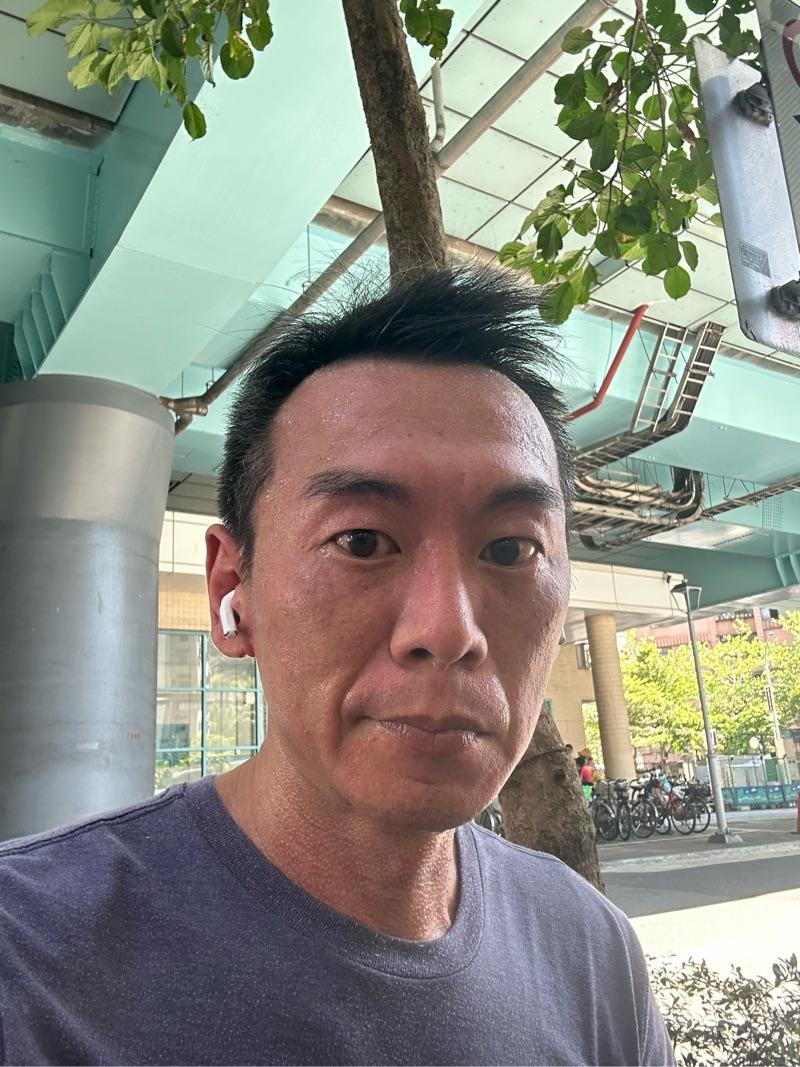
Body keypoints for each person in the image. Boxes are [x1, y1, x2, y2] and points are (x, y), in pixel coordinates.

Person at [0, 267, 674, 1066]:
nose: (448, 631)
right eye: (362, 540)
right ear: (231, 589)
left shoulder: (591, 950)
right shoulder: (29, 958)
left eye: (510, 549)